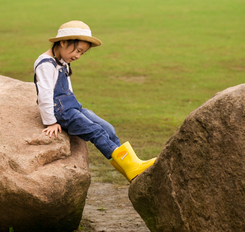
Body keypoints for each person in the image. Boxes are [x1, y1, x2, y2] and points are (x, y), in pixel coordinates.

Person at [33, 20, 156, 181]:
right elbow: (45, 95)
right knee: (96, 131)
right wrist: (51, 122)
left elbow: (67, 90)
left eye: (82, 53)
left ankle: (129, 166)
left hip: (73, 108)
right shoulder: (45, 64)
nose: (77, 56)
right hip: (63, 113)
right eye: (77, 50)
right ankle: (132, 168)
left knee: (108, 128)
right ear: (63, 42)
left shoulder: (62, 61)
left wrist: (77, 108)